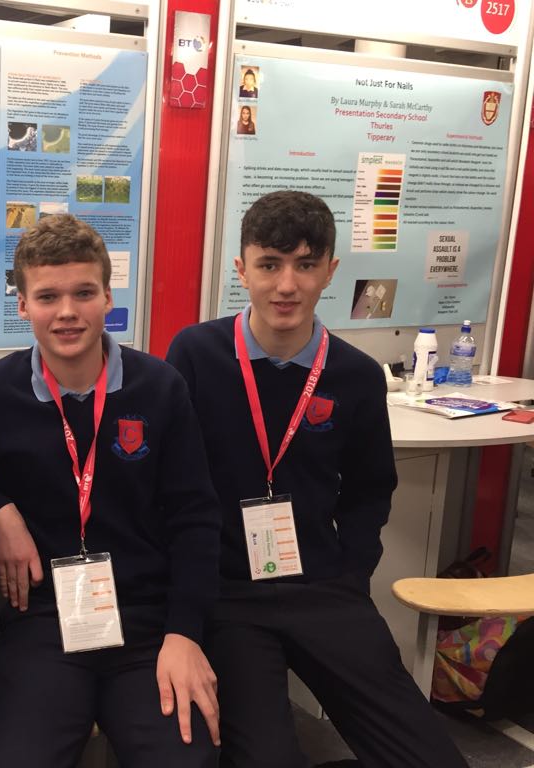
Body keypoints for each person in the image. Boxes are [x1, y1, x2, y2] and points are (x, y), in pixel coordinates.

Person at [165, 191, 468, 768]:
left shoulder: (353, 374)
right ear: (241, 269)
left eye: (305, 265)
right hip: (228, 591)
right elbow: (171, 486)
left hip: (324, 587)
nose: (287, 285)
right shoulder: (196, 354)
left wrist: (350, 576)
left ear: (329, 270)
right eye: (270, 264)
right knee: (266, 756)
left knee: (428, 756)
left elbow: (369, 488)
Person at [0, 214, 222, 768]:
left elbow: (196, 517)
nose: (68, 312)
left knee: (186, 761)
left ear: (107, 297)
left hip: (148, 624)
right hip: (44, 621)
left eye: (84, 293)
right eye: (47, 296)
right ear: (22, 304)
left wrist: (185, 635)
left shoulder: (160, 387)